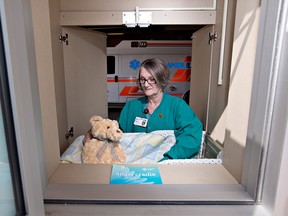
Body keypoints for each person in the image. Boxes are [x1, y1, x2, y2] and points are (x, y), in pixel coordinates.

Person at [118, 58, 203, 161]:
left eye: (152, 79)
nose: (146, 84)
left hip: (165, 166)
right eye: (143, 79)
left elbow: (192, 137)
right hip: (135, 166)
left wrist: (170, 157)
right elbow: (117, 136)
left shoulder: (177, 106)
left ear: (161, 79)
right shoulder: (131, 107)